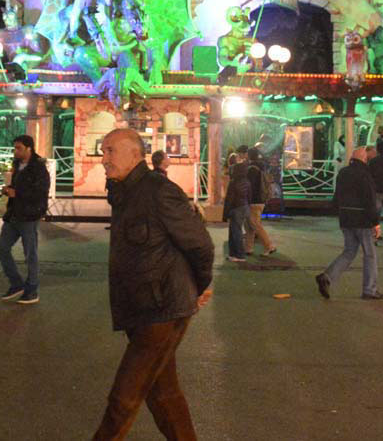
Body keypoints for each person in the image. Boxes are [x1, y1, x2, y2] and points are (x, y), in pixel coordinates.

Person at [91, 128, 214, 441]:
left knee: (123, 398)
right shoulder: (121, 191)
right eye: (102, 151)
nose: (103, 159)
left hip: (164, 310)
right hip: (140, 307)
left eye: (110, 151)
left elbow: (200, 243)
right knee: (163, 394)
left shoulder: (158, 190)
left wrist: (198, 288)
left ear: (135, 155)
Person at [315, 146, 383, 300]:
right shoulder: (365, 175)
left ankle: (327, 276)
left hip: (346, 218)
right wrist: (376, 223)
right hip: (362, 219)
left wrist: (338, 212)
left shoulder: (343, 173)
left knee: (349, 251)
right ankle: (369, 290)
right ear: (364, 159)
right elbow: (369, 200)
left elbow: (337, 196)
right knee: (370, 254)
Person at [0, 135, 50, 305]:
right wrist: (9, 190)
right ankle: (16, 283)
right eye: (14, 148)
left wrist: (17, 194)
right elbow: (18, 187)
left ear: (29, 148)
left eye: (18, 148)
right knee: (2, 249)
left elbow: (41, 193)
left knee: (30, 254)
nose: (15, 151)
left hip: (28, 215)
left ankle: (32, 289)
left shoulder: (38, 167)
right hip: (14, 214)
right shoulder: (17, 164)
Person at [242, 148, 277, 256]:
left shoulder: (252, 169)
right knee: (249, 225)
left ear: (249, 155)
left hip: (254, 201)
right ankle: (248, 248)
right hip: (260, 199)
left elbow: (249, 186)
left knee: (255, 224)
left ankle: (269, 246)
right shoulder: (262, 167)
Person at [222, 155, 251, 263]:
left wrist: (225, 215)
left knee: (236, 232)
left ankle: (239, 255)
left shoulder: (233, 182)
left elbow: (229, 200)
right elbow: (249, 197)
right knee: (235, 231)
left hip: (235, 209)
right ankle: (233, 254)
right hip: (244, 207)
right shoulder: (247, 181)